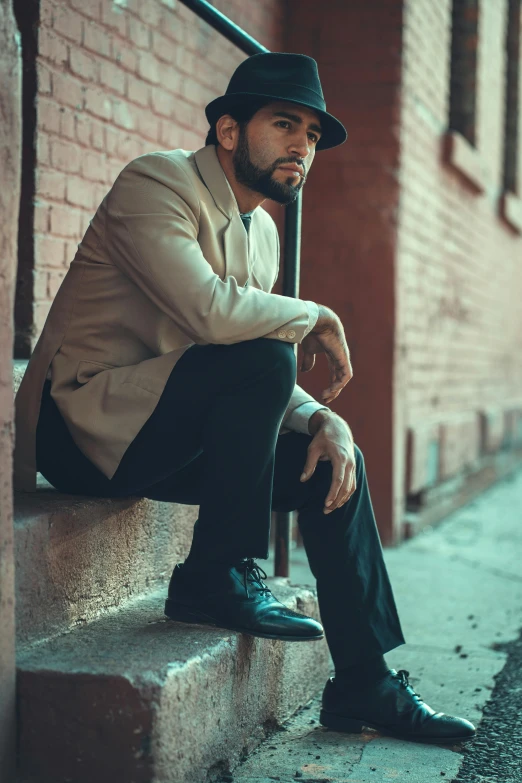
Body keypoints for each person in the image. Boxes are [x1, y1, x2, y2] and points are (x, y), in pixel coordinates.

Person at [14, 52, 475, 744]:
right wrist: (313, 315)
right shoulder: (157, 182)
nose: (301, 146)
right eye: (285, 125)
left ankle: (364, 682)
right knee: (268, 347)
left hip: (167, 428)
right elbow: (211, 315)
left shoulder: (264, 231)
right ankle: (216, 572)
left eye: (312, 136)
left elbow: (249, 363)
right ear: (229, 132)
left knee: (332, 463)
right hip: (83, 426)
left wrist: (324, 419)